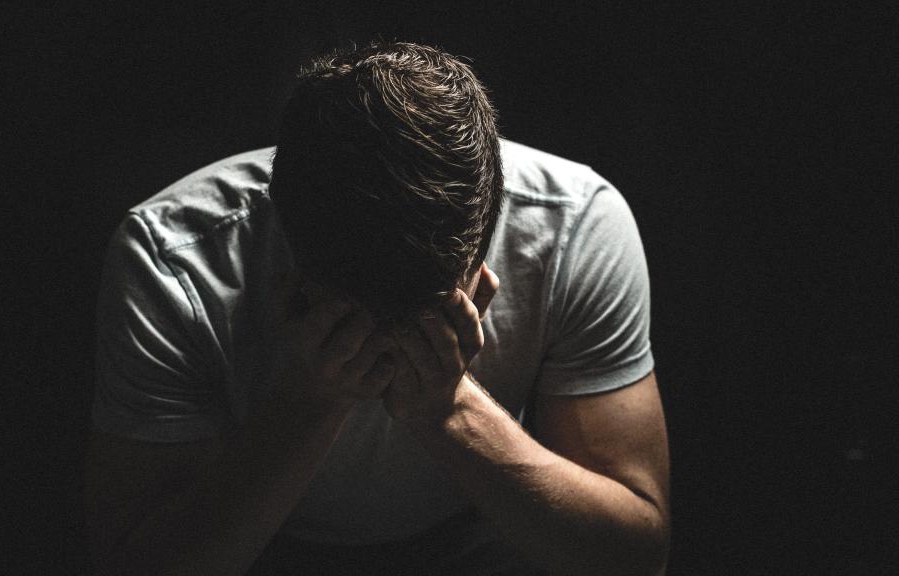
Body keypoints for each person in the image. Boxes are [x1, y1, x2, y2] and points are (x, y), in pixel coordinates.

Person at [85, 41, 670, 575]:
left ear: (490, 229)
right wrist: (307, 403)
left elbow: (637, 558)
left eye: (427, 311)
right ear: (282, 226)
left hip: (489, 540)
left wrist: (450, 410)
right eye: (355, 311)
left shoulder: (575, 227)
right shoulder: (171, 261)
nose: (386, 346)